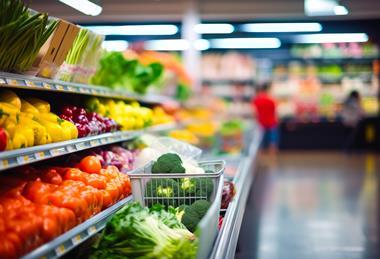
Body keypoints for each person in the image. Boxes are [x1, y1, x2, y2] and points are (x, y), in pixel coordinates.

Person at [251, 82, 279, 154]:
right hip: (272, 123)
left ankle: (260, 159)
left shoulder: (256, 100)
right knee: (272, 142)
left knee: (260, 143)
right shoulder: (271, 100)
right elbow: (275, 112)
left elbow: (254, 113)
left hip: (261, 123)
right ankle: (272, 159)